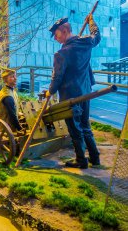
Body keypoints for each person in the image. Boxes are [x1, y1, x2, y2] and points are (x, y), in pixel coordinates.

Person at [46, 15, 101, 169]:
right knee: (85, 125)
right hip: (85, 91)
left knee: (75, 129)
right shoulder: (86, 42)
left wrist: (50, 92)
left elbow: (57, 78)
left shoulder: (61, 54)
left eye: (56, 35)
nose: (55, 38)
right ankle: (95, 158)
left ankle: (81, 160)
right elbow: (97, 35)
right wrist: (91, 21)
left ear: (64, 31)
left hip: (70, 97)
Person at [0, 69, 24, 133]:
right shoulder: (7, 95)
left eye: (15, 76)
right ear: (5, 80)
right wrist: (20, 128)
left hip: (8, 124)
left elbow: (14, 110)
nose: (15, 78)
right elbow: (12, 114)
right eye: (12, 77)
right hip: (2, 127)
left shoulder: (12, 92)